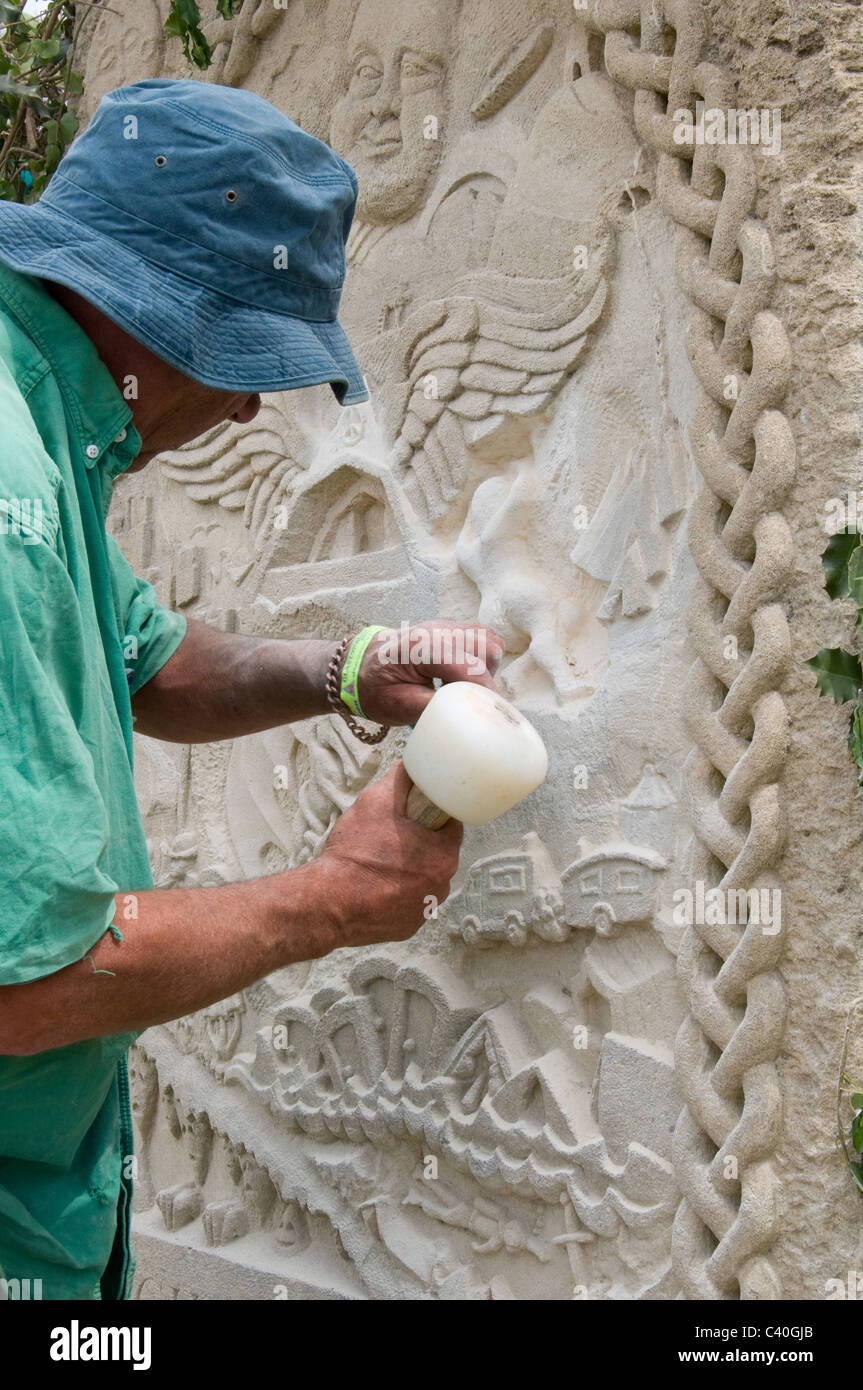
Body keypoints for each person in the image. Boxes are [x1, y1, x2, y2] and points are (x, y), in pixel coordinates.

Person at [0, 78, 501, 1300]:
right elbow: (23, 987)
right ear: (154, 313)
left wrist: (348, 670)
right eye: (246, 361)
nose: (241, 406)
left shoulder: (49, 428)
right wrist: (329, 900)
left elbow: (154, 663)